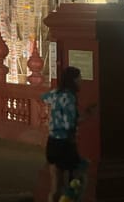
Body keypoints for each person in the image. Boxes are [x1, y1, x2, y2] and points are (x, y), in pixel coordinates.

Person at [41, 65, 92, 202]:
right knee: (77, 180)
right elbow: (69, 123)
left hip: (52, 142)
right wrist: (86, 115)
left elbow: (43, 97)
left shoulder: (55, 93)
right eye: (79, 78)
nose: (81, 80)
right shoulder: (69, 97)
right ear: (73, 80)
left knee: (55, 186)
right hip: (65, 143)